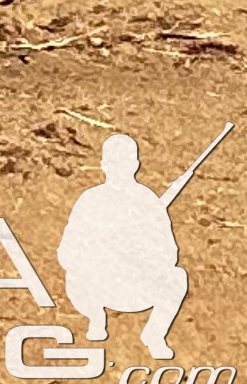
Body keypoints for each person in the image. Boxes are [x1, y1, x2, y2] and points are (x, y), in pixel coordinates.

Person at [59, 134, 193, 359]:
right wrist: (97, 255)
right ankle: (96, 317)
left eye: (124, 163)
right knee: (73, 275)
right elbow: (66, 252)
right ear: (104, 166)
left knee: (177, 277)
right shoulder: (90, 200)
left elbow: (169, 254)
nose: (119, 169)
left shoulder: (148, 201)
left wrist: (138, 254)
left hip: (137, 287)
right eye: (115, 164)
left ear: (135, 165)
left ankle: (154, 334)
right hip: (96, 287)